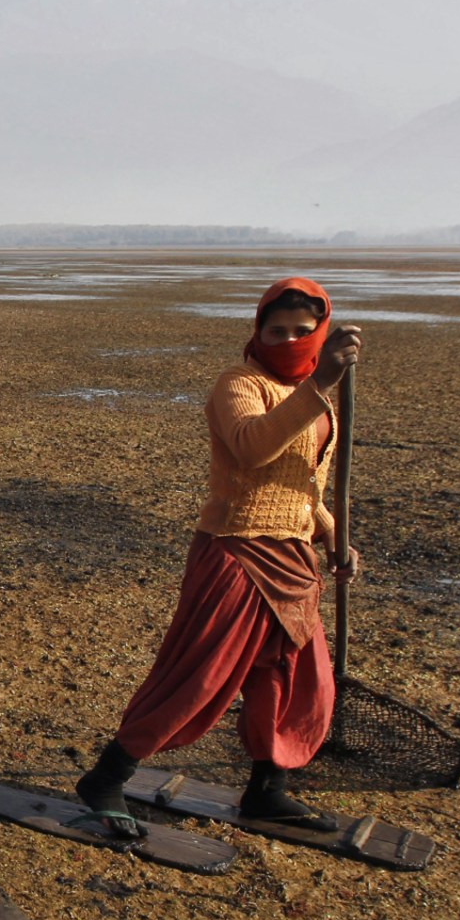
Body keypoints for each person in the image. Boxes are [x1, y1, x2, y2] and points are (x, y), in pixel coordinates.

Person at [74, 277, 363, 833]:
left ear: (321, 334)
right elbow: (254, 451)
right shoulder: (239, 384)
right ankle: (107, 777)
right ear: (257, 330)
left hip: (294, 557)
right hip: (237, 552)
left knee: (291, 677)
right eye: (275, 330)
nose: (288, 340)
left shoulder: (322, 397)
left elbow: (305, 482)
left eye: (303, 332)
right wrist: (321, 381)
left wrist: (333, 534)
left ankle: (266, 789)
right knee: (199, 675)